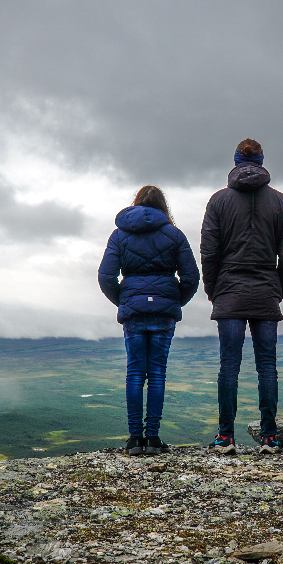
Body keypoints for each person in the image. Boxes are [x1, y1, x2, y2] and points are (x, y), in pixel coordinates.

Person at [200, 138, 283, 455]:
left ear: (235, 161)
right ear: (261, 162)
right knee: (267, 366)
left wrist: (214, 290)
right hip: (266, 289)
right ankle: (269, 437)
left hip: (228, 289)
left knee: (229, 366)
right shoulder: (282, 203)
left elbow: (209, 252)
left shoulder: (218, 201)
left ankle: (225, 437)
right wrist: (279, 288)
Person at [98, 186, 199, 456]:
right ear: (163, 207)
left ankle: (134, 440)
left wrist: (126, 301)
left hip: (134, 313)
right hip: (163, 313)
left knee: (134, 373)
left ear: (136, 203)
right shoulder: (175, 235)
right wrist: (173, 302)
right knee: (156, 374)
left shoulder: (119, 235)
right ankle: (152, 439)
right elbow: (191, 277)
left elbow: (106, 276)